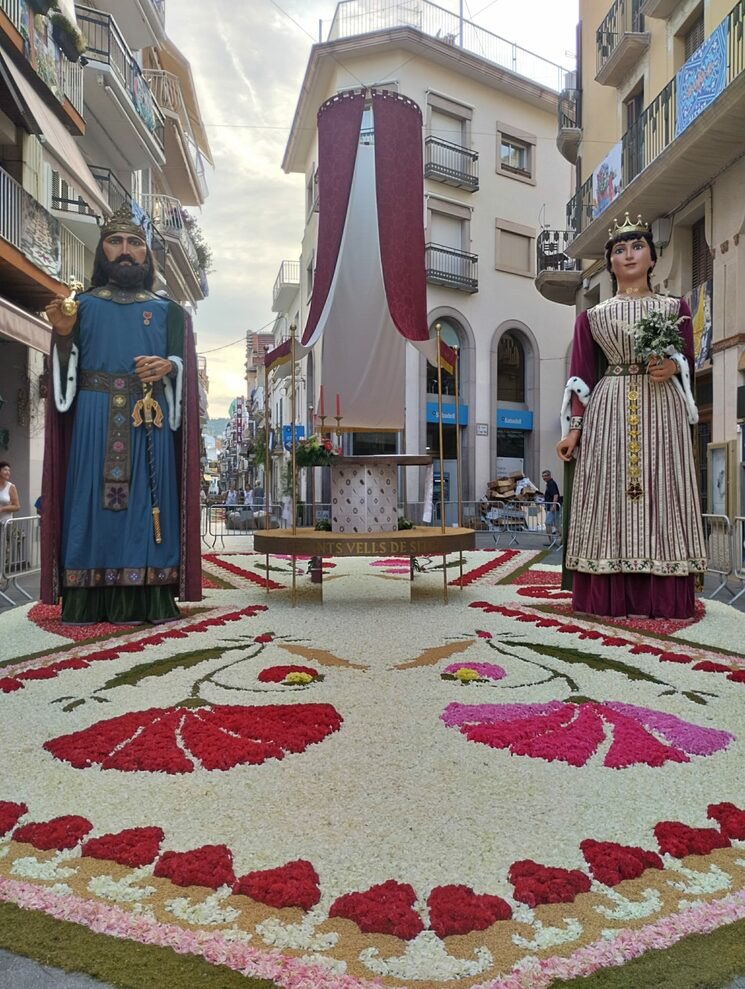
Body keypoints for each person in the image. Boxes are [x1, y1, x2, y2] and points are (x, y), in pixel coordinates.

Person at [41, 203, 202, 624]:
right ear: (102, 252)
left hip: (148, 421)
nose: (126, 250)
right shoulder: (80, 308)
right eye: (115, 242)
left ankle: (148, 597)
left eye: (135, 243)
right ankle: (85, 601)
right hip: (93, 421)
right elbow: (61, 379)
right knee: (88, 505)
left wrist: (171, 367)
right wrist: (60, 337)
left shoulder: (171, 313)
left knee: (150, 510)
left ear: (147, 254)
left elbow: (183, 371)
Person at [557, 212, 705, 619]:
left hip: (664, 409)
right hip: (609, 407)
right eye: (620, 250)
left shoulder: (677, 307)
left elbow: (690, 358)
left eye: (637, 247)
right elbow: (582, 375)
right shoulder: (592, 317)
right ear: (610, 263)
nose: (629, 255)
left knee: (665, 490)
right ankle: (608, 595)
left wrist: (673, 367)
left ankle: (665, 594)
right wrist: (574, 430)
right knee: (607, 494)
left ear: (653, 258)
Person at [541, 470, 561, 546]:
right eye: (543, 476)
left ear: (549, 476)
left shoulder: (551, 483)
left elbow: (555, 495)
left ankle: (552, 541)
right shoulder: (549, 483)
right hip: (550, 507)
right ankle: (554, 541)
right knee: (555, 524)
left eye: (545, 476)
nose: (544, 478)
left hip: (552, 508)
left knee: (548, 523)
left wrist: (553, 505)